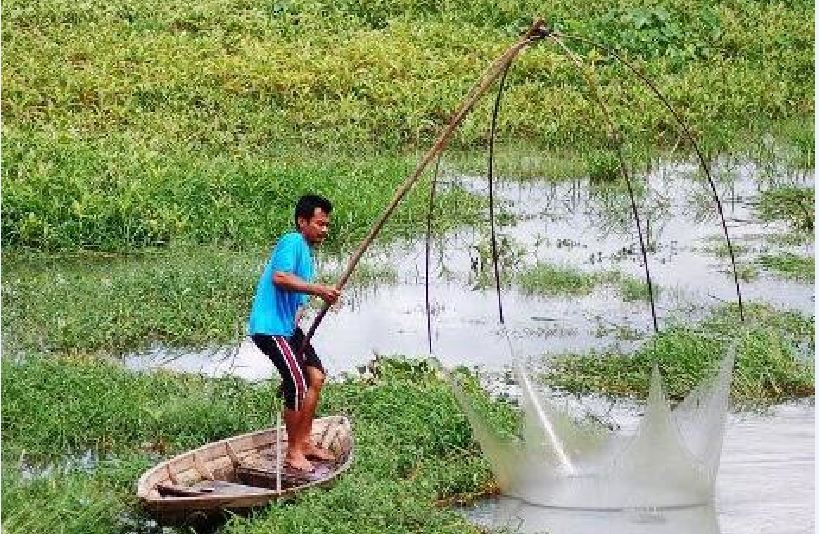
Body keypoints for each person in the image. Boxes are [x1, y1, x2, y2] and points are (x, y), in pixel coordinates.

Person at [248, 194, 341, 472]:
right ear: (303, 222)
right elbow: (280, 278)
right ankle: (293, 453)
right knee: (297, 384)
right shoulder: (292, 241)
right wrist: (319, 289)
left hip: (286, 328)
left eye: (327, 225)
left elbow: (298, 305)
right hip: (269, 328)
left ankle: (305, 442)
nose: (324, 230)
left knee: (316, 376)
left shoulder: (307, 257)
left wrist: (315, 306)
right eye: (319, 224)